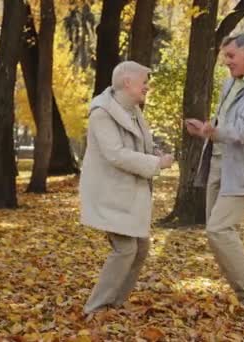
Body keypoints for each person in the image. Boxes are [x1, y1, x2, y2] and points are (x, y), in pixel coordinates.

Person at [185, 33, 244, 314]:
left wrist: (213, 132)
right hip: (219, 163)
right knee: (216, 231)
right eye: (224, 56)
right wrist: (206, 128)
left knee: (219, 230)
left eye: (230, 56)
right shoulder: (231, 83)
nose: (226, 62)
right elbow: (226, 123)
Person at [79, 61, 173, 317]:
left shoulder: (132, 111)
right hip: (110, 194)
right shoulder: (102, 113)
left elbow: (134, 145)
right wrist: (156, 163)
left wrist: (151, 151)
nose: (147, 86)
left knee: (140, 248)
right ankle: (96, 308)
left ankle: (115, 303)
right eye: (144, 81)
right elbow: (116, 154)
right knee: (126, 249)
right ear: (127, 82)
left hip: (128, 194)